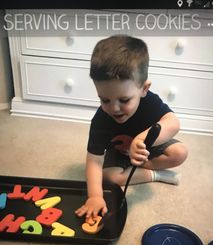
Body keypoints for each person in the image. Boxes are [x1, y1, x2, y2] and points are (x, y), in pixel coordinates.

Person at [75, 35, 188, 222]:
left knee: (180, 152)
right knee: (108, 177)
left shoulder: (149, 101)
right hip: (119, 152)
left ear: (144, 89)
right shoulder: (101, 120)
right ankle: (156, 175)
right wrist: (95, 196)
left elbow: (173, 122)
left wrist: (140, 141)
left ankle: (142, 166)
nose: (114, 108)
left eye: (124, 100)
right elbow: (94, 160)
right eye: (105, 99)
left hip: (147, 147)